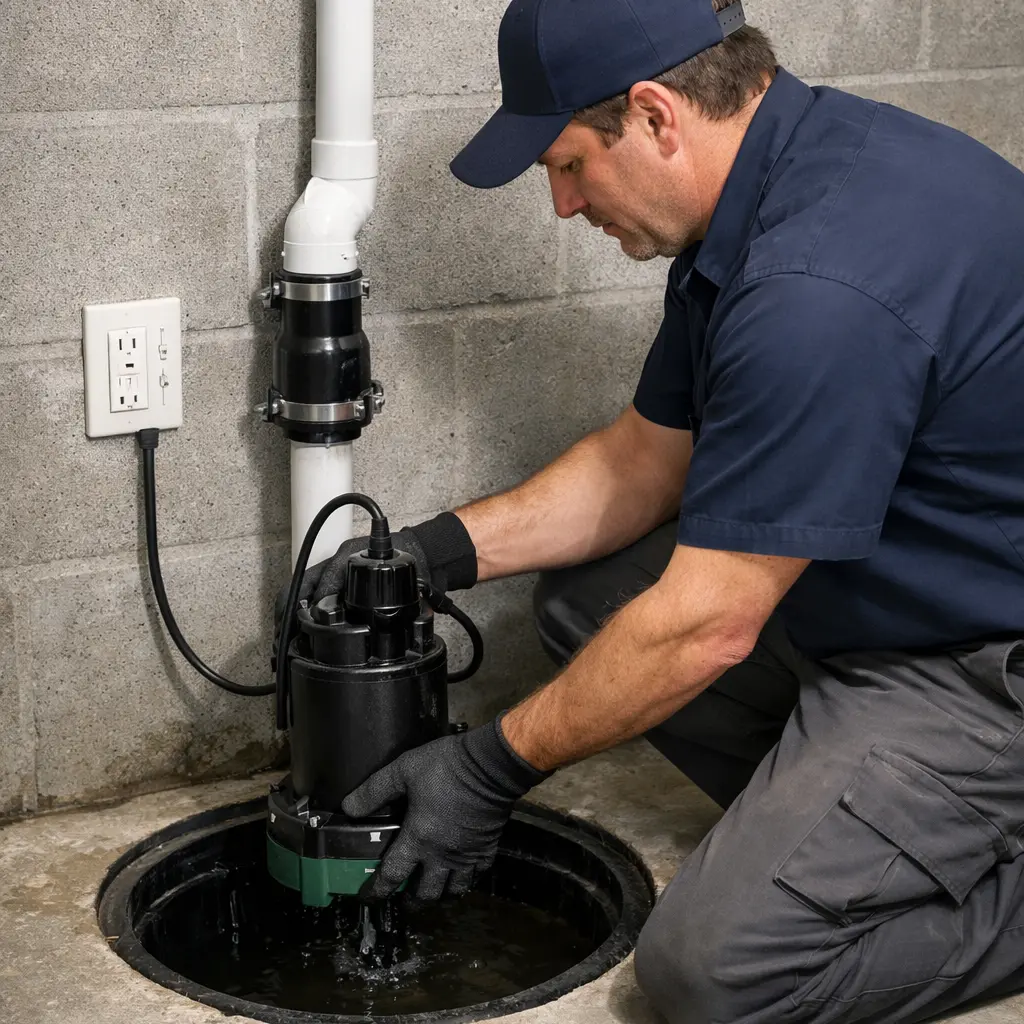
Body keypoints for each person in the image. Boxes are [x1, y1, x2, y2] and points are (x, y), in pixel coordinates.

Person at [301, 0, 1024, 1019]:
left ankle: (952, 838)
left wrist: (489, 766)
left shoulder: (816, 286)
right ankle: (853, 815)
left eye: (566, 165)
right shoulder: (776, 182)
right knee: (586, 605)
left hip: (979, 665)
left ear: (654, 115)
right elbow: (642, 464)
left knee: (712, 973)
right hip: (884, 596)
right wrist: (430, 554)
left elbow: (710, 621)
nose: (561, 206)